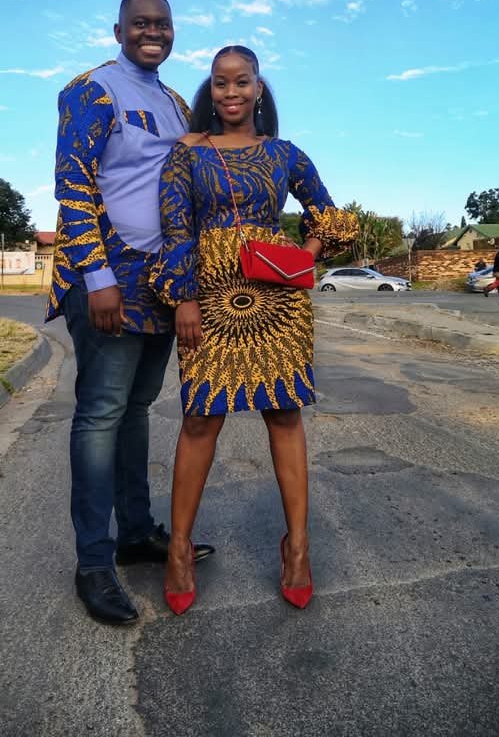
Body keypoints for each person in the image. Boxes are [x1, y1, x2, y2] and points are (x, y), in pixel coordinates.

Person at [149, 45, 359, 615]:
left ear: (259, 87)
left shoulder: (285, 154)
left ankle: (298, 547)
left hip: (277, 300)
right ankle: (179, 549)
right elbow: (175, 231)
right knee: (200, 417)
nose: (231, 92)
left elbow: (330, 216)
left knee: (285, 413)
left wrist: (304, 256)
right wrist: (183, 297)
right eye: (221, 83)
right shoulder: (187, 153)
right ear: (210, 89)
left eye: (242, 81)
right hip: (209, 297)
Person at [46, 0, 213, 625]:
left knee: (136, 409)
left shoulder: (175, 103)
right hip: (110, 279)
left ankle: (136, 533)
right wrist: (97, 276)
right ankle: (93, 563)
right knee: (100, 414)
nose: (153, 32)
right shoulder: (92, 90)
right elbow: (73, 184)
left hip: (160, 285)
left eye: (162, 24)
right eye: (140, 23)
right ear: (118, 30)